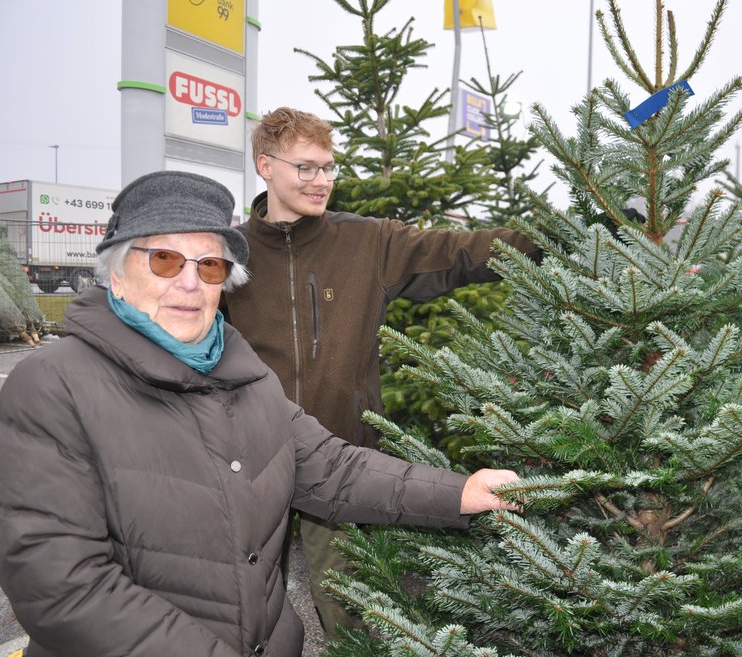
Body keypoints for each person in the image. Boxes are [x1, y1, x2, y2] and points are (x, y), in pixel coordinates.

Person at [0, 170, 521, 657]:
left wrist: (461, 492)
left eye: (210, 265)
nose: (190, 282)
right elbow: (62, 588)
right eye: (165, 260)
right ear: (115, 274)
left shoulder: (243, 374)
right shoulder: (52, 386)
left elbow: (335, 469)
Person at [220, 106, 542, 637]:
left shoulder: (368, 242)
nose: (320, 180)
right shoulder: (230, 254)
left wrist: (561, 237)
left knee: (352, 613)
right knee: (244, 609)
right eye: (305, 167)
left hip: (343, 458)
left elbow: (460, 251)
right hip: (252, 463)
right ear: (265, 166)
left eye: (327, 167)